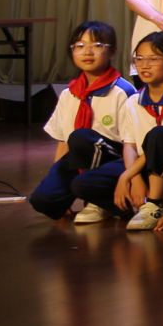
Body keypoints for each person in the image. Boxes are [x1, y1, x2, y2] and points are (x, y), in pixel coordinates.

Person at [28, 21, 136, 222]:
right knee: (43, 201)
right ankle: (89, 193)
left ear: (112, 51)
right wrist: (59, 183)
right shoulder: (69, 94)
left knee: (81, 138)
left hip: (117, 161)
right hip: (79, 156)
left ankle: (98, 201)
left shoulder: (122, 92)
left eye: (97, 45)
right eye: (79, 46)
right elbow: (63, 142)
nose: (87, 52)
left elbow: (133, 144)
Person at [119, 32, 163, 231]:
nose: (144, 65)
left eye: (153, 59)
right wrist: (135, 179)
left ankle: (154, 204)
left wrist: (126, 176)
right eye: (139, 59)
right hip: (142, 167)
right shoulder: (134, 100)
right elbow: (129, 145)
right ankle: (130, 203)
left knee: (159, 134)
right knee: (86, 183)